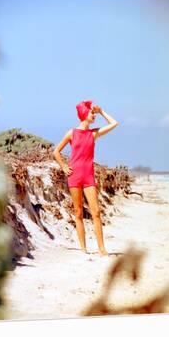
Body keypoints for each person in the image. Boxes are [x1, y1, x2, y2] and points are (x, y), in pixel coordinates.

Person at [53, 101, 119, 256]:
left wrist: (102, 111)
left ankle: (102, 249)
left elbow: (114, 123)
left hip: (89, 176)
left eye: (94, 113)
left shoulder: (93, 134)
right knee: (78, 213)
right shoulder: (71, 133)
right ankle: (83, 249)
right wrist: (63, 166)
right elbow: (56, 152)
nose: (93, 115)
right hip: (74, 176)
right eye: (91, 113)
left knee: (96, 212)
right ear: (84, 114)